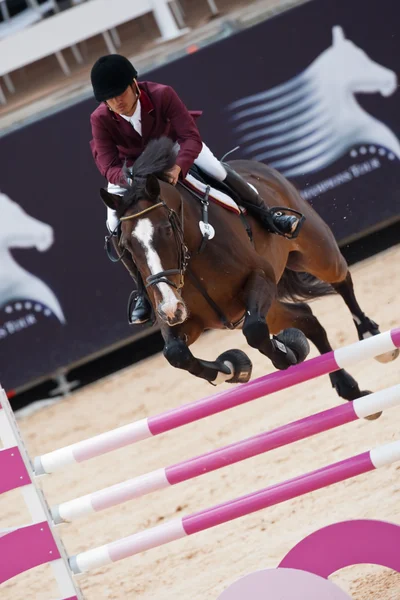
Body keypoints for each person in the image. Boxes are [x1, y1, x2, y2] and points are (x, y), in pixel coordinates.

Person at [89, 54, 301, 325]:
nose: (117, 102)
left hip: (174, 150)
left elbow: (191, 137)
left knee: (217, 171)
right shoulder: (100, 118)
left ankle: (269, 216)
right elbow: (108, 164)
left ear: (134, 84)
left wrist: (179, 166)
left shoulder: (161, 94)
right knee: (112, 221)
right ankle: (143, 291)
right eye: (109, 98)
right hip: (132, 170)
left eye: (120, 93)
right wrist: (131, 180)